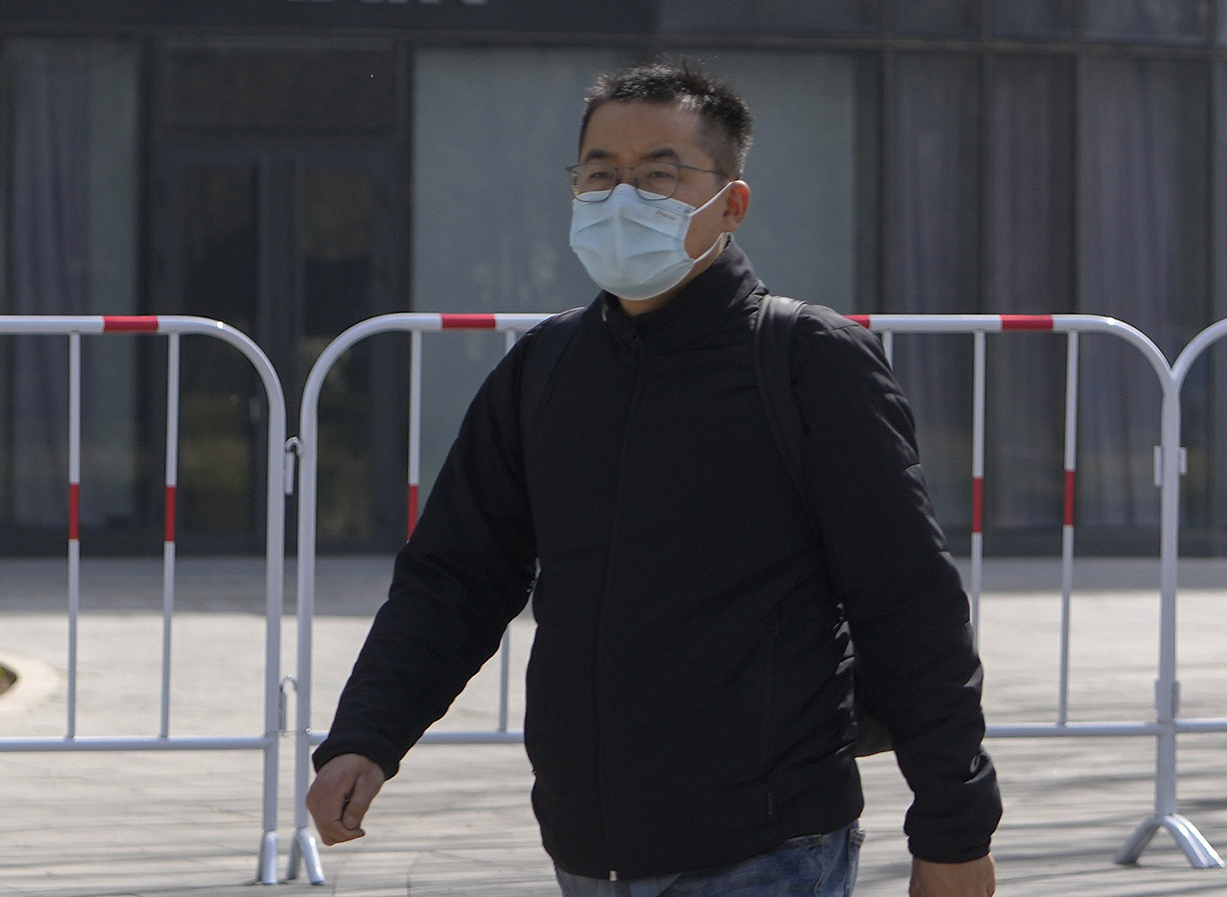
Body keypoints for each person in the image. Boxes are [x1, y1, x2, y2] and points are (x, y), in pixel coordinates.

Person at [301, 61, 1001, 897]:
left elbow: (908, 602)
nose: (622, 196)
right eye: (600, 174)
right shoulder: (544, 371)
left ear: (730, 203)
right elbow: (454, 577)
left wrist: (954, 830)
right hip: (585, 848)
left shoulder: (807, 362)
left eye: (659, 176)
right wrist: (367, 737)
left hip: (766, 848)